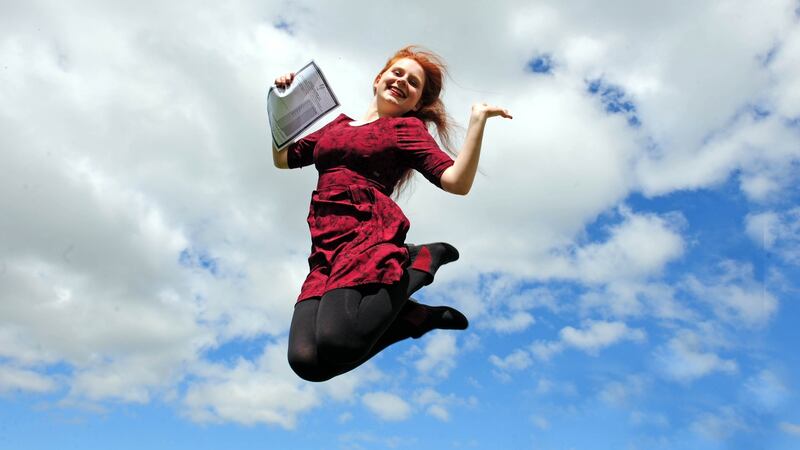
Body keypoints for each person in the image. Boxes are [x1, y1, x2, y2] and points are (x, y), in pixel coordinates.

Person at [273, 46, 512, 382]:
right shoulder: (335, 127)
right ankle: (412, 319)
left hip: (366, 231)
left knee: (338, 342)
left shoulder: (407, 130)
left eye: (413, 84)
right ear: (378, 79)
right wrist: (284, 101)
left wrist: (477, 121)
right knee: (306, 362)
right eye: (398, 73)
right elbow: (282, 159)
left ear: (416, 104)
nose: (403, 81)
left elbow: (456, 181)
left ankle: (421, 261)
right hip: (324, 241)